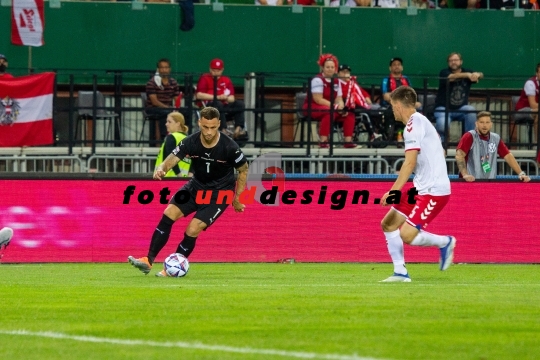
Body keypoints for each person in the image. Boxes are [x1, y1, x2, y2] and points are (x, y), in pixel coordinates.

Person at [128, 106, 249, 277]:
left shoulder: (230, 147)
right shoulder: (190, 142)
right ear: (199, 123)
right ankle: (148, 260)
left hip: (219, 194)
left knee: (192, 229)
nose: (208, 132)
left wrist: (237, 199)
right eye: (205, 127)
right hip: (195, 187)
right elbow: (172, 158)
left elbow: (243, 169)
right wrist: (162, 168)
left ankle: (170, 270)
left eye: (213, 127)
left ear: (219, 124)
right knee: (169, 212)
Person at [379, 86, 456, 283]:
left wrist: (394, 191)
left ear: (398, 105)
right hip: (421, 187)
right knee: (388, 224)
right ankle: (400, 273)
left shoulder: (414, 125)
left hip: (434, 190)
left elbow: (409, 162)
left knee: (407, 234)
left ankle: (445, 242)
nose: (392, 111)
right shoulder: (419, 122)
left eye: (392, 106)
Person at [455, 111, 531, 182]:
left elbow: (507, 155)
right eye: (481, 122)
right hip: (469, 182)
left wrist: (521, 173)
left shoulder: (495, 138)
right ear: (476, 123)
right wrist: (465, 175)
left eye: (487, 122)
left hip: (489, 182)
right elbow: (459, 156)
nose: (484, 125)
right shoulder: (469, 136)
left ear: (491, 124)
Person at [303, 54, 357, 148]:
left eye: (332, 67)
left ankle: (348, 141)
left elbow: (339, 98)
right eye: (327, 67)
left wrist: (341, 107)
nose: (330, 69)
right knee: (329, 112)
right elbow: (318, 99)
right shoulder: (317, 80)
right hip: (313, 106)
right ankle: (323, 141)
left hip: (330, 107)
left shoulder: (337, 81)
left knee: (349, 114)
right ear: (322, 68)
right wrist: (334, 107)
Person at [434, 52, 483, 142]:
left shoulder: (467, 70)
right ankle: (440, 145)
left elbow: (481, 75)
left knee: (471, 110)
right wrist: (467, 75)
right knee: (442, 125)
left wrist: (477, 75)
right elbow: (451, 77)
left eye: (456, 60)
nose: (453, 62)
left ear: (461, 61)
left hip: (460, 108)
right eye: (451, 60)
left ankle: (468, 142)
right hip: (443, 108)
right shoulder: (444, 72)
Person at [196, 59, 247, 140]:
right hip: (210, 107)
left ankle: (238, 130)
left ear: (222, 70)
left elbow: (232, 98)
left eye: (218, 70)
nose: (216, 72)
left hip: (225, 105)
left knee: (240, 104)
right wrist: (217, 97)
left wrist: (225, 97)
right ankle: (223, 130)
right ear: (210, 69)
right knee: (218, 104)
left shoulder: (226, 80)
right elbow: (199, 95)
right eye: (213, 70)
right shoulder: (205, 78)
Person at [381, 57, 421, 142]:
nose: (397, 66)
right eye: (394, 65)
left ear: (402, 67)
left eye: (398, 65)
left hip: (405, 105)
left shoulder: (406, 79)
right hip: (390, 106)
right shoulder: (386, 79)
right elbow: (386, 96)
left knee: (418, 107)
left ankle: (414, 137)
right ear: (390, 68)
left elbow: (410, 93)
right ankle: (395, 136)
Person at [145, 58, 184, 141]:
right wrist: (168, 108)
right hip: (153, 108)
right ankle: (165, 138)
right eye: (162, 68)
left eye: (166, 67)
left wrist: (176, 109)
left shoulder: (173, 82)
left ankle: (183, 137)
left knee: (185, 112)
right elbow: (154, 102)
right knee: (166, 113)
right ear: (158, 69)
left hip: (168, 108)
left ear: (170, 69)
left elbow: (177, 99)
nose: (164, 70)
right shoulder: (151, 83)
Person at [155, 111, 192, 178]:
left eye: (169, 122)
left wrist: (179, 175)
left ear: (178, 123)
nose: (166, 124)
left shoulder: (172, 137)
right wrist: (190, 174)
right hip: (185, 180)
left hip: (169, 178)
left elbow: (171, 158)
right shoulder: (188, 139)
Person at [515, 63, 539, 158]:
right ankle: (537, 144)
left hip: (535, 110)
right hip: (521, 111)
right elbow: (533, 104)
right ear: (537, 73)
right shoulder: (530, 83)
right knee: (538, 113)